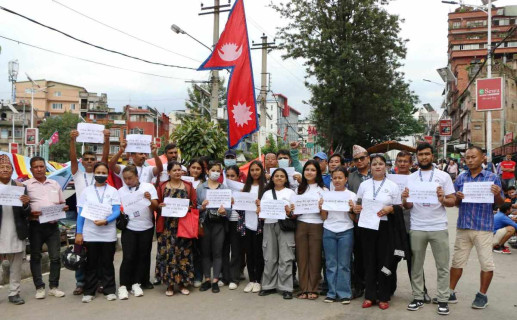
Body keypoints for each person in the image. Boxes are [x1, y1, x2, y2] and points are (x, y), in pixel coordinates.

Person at [402, 143, 456, 315]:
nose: (424, 157)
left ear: (432, 155)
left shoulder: (443, 176)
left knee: (442, 265)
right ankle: (418, 297)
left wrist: (442, 199)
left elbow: (452, 201)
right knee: (416, 265)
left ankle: (442, 299)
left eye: (427, 154)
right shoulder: (411, 177)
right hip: (417, 226)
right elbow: (408, 205)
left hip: (438, 226)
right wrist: (404, 200)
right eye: (420, 154)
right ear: (416, 156)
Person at [448, 146, 504, 309]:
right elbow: (457, 205)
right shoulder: (460, 178)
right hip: (464, 226)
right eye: (468, 157)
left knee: (486, 263)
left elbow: (499, 204)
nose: (470, 160)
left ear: (482, 158)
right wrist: (458, 198)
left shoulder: (492, 178)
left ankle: (482, 295)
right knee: (457, 261)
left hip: (483, 227)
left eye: (474, 157)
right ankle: (450, 291)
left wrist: (497, 194)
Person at [352, 154, 405, 310]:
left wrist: (390, 209)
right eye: (374, 164)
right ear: (370, 166)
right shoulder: (364, 185)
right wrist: (356, 208)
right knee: (368, 261)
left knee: (384, 262)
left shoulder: (392, 186)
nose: (377, 166)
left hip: (385, 228)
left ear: (386, 166)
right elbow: (358, 204)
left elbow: (399, 207)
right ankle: (369, 295)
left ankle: (383, 296)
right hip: (367, 227)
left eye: (381, 163)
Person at [69, 129, 110, 295]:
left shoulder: (100, 174)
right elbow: (72, 158)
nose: (89, 161)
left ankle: (99, 281)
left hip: (99, 216)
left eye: (92, 159)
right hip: (82, 217)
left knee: (97, 252)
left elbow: (106, 158)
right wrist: (72, 141)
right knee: (80, 251)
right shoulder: (77, 174)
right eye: (86, 159)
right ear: (82, 161)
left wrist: (106, 139)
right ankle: (80, 282)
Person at [75, 162, 121, 303]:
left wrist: (106, 221)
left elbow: (117, 211)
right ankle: (89, 291)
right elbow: (81, 214)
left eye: (103, 172)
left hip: (108, 233)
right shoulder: (86, 191)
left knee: (107, 262)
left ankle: (109, 290)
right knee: (91, 264)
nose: (101, 175)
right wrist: (79, 232)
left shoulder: (113, 191)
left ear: (107, 174)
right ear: (94, 173)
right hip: (90, 233)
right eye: (98, 172)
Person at [24, 156, 68, 299]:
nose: (39, 169)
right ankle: (39, 287)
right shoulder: (26, 185)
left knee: (55, 257)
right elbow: (22, 207)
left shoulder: (54, 184)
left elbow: (62, 202)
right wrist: (31, 213)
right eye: (36, 167)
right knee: (36, 257)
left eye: (41, 166)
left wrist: (64, 207)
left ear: (45, 168)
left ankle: (54, 287)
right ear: (31, 169)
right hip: (35, 225)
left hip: (53, 226)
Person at [390, 151, 430, 303]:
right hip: (393, 226)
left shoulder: (417, 180)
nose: (402, 164)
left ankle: (421, 291)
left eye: (405, 161)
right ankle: (388, 288)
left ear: (411, 163)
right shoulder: (389, 179)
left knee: (414, 261)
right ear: (396, 163)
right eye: (399, 161)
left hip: (412, 224)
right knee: (391, 260)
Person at [155, 161, 197, 296]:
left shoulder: (188, 186)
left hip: (184, 226)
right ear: (168, 172)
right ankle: (170, 285)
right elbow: (157, 204)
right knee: (167, 255)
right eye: (174, 170)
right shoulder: (162, 186)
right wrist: (160, 206)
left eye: (179, 170)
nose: (178, 172)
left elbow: (194, 204)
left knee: (183, 254)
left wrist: (190, 207)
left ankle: (182, 283)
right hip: (167, 227)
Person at [117, 166, 159, 300]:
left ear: (137, 177)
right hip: (129, 227)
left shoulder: (148, 187)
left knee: (143, 256)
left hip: (146, 227)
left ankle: (138, 282)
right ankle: (124, 285)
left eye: (130, 178)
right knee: (128, 257)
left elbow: (156, 207)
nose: (128, 181)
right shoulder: (120, 191)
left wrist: (149, 199)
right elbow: (117, 208)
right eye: (125, 179)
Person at [257, 168, 296, 300]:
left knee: (286, 257)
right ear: (272, 178)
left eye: (282, 176)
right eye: (277, 176)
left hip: (285, 225)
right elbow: (261, 215)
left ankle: (286, 288)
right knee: (269, 256)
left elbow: (294, 213)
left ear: (286, 179)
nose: (279, 178)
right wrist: (259, 211)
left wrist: (288, 211)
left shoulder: (291, 193)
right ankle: (268, 286)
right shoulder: (266, 193)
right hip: (269, 225)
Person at [321, 167, 356, 305]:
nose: (337, 180)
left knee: (344, 264)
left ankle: (344, 293)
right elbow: (324, 217)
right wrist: (322, 208)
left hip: (346, 230)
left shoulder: (351, 195)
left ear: (346, 179)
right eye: (334, 178)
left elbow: (353, 218)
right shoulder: (327, 195)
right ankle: (331, 293)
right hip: (329, 229)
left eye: (340, 177)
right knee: (330, 263)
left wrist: (352, 209)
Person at [293, 159, 327, 300]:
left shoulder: (324, 190)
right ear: (303, 171)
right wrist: (292, 210)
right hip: (301, 224)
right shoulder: (298, 189)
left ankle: (313, 288)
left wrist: (321, 207)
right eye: (307, 169)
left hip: (317, 225)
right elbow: (293, 212)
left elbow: (326, 214)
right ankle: (303, 288)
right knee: (301, 257)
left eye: (313, 170)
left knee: (315, 257)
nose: (309, 172)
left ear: (317, 173)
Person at [0, 154, 31, 305]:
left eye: (8, 167)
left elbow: (27, 212)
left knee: (16, 265)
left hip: (16, 231)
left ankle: (14, 293)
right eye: (2, 167)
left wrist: (26, 204)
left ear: (12, 170)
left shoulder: (20, 187)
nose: (5, 170)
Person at [196, 162, 231, 293]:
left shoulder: (224, 189)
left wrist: (225, 212)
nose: (215, 172)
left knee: (217, 252)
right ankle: (207, 280)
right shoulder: (200, 188)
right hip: (205, 222)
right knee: (205, 253)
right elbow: (195, 207)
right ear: (207, 171)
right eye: (213, 170)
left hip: (219, 223)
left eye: (218, 171)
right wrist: (202, 207)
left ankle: (215, 280)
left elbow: (229, 210)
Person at [347, 145, 371, 299]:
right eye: (356, 159)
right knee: (358, 254)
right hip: (356, 220)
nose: (360, 161)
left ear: (368, 158)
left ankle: (373, 284)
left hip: (376, 220)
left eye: (362, 158)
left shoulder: (378, 174)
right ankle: (359, 285)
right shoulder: (350, 177)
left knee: (374, 254)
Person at [240, 160, 267, 293]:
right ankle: (251, 279)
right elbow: (239, 208)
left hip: (260, 226)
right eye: (252, 170)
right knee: (249, 253)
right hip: (247, 225)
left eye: (257, 169)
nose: (255, 172)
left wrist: (261, 205)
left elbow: (269, 207)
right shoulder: (245, 188)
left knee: (258, 253)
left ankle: (258, 280)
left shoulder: (266, 187)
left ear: (261, 171)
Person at [222, 165, 244, 290]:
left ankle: (234, 278)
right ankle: (225, 277)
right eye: (228, 175)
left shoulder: (243, 189)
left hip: (236, 221)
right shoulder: (221, 189)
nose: (230, 178)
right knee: (224, 250)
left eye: (233, 176)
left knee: (236, 251)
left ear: (237, 176)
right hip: (224, 221)